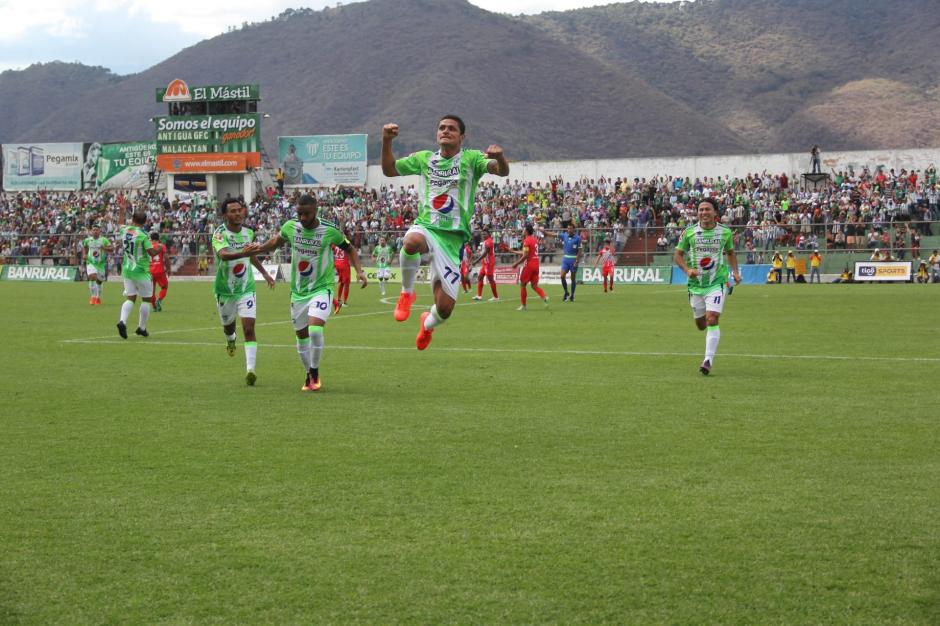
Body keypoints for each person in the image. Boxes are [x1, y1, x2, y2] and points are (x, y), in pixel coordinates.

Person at [381, 115, 509, 350]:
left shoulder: (471, 159)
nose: (445, 131)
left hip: (453, 241)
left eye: (451, 128)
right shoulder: (424, 159)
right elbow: (389, 170)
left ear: (462, 137)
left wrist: (499, 157)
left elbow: (501, 171)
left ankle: (427, 325)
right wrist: (386, 140)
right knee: (411, 242)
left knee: (444, 309)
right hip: (428, 227)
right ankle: (407, 293)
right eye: (441, 128)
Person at [252, 194, 367, 391]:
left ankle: (314, 371)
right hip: (298, 292)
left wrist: (360, 271)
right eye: (299, 213)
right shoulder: (291, 227)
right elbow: (275, 242)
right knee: (301, 338)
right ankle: (309, 374)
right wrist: (256, 249)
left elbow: (350, 249)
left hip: (322, 288)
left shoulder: (329, 230)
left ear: (315, 211)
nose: (302, 218)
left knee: (315, 329)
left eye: (306, 213)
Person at [673, 198, 742, 376]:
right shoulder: (689, 232)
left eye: (707, 209)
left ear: (715, 212)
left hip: (717, 282)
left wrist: (735, 272)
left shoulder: (725, 232)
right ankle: (704, 321)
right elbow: (678, 255)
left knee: (712, 319)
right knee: (701, 324)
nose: (704, 212)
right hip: (695, 285)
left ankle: (707, 360)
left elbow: (731, 253)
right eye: (701, 209)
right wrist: (687, 270)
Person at [211, 197, 276, 386]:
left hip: (246, 288)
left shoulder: (249, 232)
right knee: (229, 327)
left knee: (249, 328)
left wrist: (264, 273)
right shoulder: (219, 234)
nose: (238, 213)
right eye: (233, 211)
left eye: (239, 210)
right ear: (225, 215)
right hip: (225, 290)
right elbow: (223, 255)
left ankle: (250, 370)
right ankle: (231, 339)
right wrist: (244, 253)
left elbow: (251, 256)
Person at [116, 208, 160, 339]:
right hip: (141, 271)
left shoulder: (125, 230)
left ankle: (122, 321)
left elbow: (120, 223)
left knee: (130, 298)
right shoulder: (143, 235)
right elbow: (151, 252)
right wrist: (160, 248)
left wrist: (122, 210)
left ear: (132, 219)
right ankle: (142, 328)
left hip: (127, 270)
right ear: (145, 222)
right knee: (146, 299)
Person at [511, 223, 549, 311]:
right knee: (534, 285)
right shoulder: (534, 240)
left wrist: (516, 263)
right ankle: (544, 296)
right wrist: (514, 251)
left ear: (526, 231)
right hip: (536, 265)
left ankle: (524, 306)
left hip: (529, 265)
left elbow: (525, 256)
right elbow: (527, 252)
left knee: (523, 284)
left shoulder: (526, 241)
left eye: (524, 230)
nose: (523, 231)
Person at [82, 226, 111, 305]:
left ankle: (98, 297)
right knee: (92, 276)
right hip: (91, 262)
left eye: (97, 230)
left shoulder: (104, 240)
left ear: (99, 231)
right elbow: (85, 247)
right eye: (94, 230)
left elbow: (111, 249)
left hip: (101, 264)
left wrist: (104, 248)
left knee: (99, 281)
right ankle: (93, 297)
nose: (95, 231)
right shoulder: (87, 240)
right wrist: (84, 254)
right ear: (91, 231)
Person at [472, 226, 499, 301]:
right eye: (482, 234)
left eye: (485, 234)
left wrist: (476, 261)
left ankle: (496, 297)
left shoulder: (489, 241)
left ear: (488, 234)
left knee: (490, 279)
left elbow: (485, 253)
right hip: (485, 263)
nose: (483, 235)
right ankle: (479, 295)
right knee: (480, 277)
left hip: (489, 263)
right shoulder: (485, 241)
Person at [557, 222, 583, 301]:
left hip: (573, 260)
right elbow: (554, 234)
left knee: (573, 278)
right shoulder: (565, 235)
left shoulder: (578, 238)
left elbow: (580, 250)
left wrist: (577, 261)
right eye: (568, 228)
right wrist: (544, 232)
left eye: (570, 228)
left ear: (573, 229)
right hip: (566, 259)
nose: (569, 230)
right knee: (562, 276)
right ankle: (566, 292)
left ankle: (572, 295)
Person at [149, 232, 170, 311]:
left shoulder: (148, 246)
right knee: (164, 287)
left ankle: (154, 307)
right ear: (158, 238)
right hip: (159, 270)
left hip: (150, 271)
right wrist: (168, 269)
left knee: (151, 291)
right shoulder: (161, 246)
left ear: (151, 239)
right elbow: (166, 258)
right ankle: (159, 300)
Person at [332, 243, 351, 312]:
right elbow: (350, 250)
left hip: (337, 263)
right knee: (347, 283)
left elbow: (331, 249)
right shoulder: (345, 242)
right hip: (344, 263)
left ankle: (339, 299)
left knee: (342, 282)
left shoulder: (335, 243)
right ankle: (345, 302)